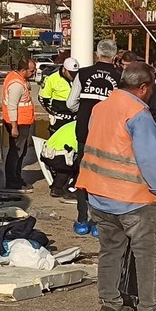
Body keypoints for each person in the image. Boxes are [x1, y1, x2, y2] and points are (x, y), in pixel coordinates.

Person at [78, 61, 156, 311]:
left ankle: (110, 305)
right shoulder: (139, 114)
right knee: (148, 251)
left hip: (98, 194)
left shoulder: (100, 108)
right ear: (144, 87)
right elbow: (150, 159)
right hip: (132, 199)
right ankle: (149, 310)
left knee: (110, 250)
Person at [66, 40, 121, 236]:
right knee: (105, 177)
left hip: (85, 132)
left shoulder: (83, 73)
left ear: (96, 54)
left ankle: (82, 220)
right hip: (109, 135)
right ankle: (100, 223)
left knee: (83, 175)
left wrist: (83, 112)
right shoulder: (120, 76)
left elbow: (71, 102)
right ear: (114, 56)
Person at [1, 58, 37, 192]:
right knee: (16, 153)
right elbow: (12, 106)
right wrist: (14, 127)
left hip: (21, 122)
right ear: (23, 70)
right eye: (31, 71)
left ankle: (16, 178)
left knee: (21, 152)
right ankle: (13, 181)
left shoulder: (18, 79)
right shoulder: (16, 84)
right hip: (18, 123)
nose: (34, 73)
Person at [40, 120, 79, 202]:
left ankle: (57, 188)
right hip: (60, 156)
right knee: (82, 163)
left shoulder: (73, 124)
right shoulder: (84, 127)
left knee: (64, 168)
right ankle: (70, 188)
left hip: (47, 153)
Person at [40, 57, 79, 130]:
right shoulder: (52, 78)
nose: (73, 75)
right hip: (59, 119)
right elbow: (43, 98)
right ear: (64, 69)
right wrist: (53, 113)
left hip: (74, 118)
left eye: (75, 73)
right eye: (70, 73)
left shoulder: (79, 77)